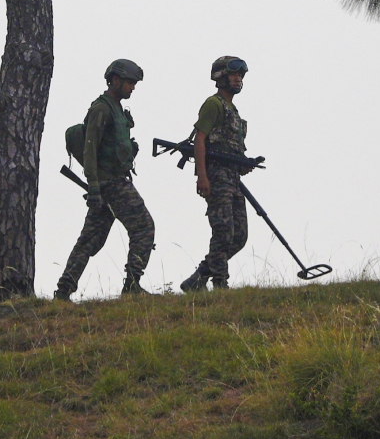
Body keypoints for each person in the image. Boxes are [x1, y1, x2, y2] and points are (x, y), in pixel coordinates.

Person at [54, 60, 156, 301]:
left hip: (110, 182)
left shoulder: (117, 109)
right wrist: (94, 187)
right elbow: (90, 150)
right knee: (143, 227)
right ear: (116, 80)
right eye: (130, 82)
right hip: (112, 184)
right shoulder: (102, 109)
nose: (133, 88)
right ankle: (132, 285)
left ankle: (63, 290)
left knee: (90, 239)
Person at [180, 56, 251, 292]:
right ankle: (220, 284)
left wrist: (244, 164)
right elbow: (200, 139)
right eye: (233, 75)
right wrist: (202, 176)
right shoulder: (214, 104)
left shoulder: (234, 111)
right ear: (220, 77)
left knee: (239, 235)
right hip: (217, 176)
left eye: (240, 75)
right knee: (223, 231)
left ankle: (199, 276)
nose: (238, 79)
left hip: (233, 179)